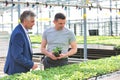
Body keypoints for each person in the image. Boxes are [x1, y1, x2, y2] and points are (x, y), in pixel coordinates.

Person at [4, 10, 38, 75]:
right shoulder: (18, 34)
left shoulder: (22, 30)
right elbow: (17, 56)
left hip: (20, 69)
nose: (34, 24)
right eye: (32, 21)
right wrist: (31, 64)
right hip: (16, 70)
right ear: (25, 21)